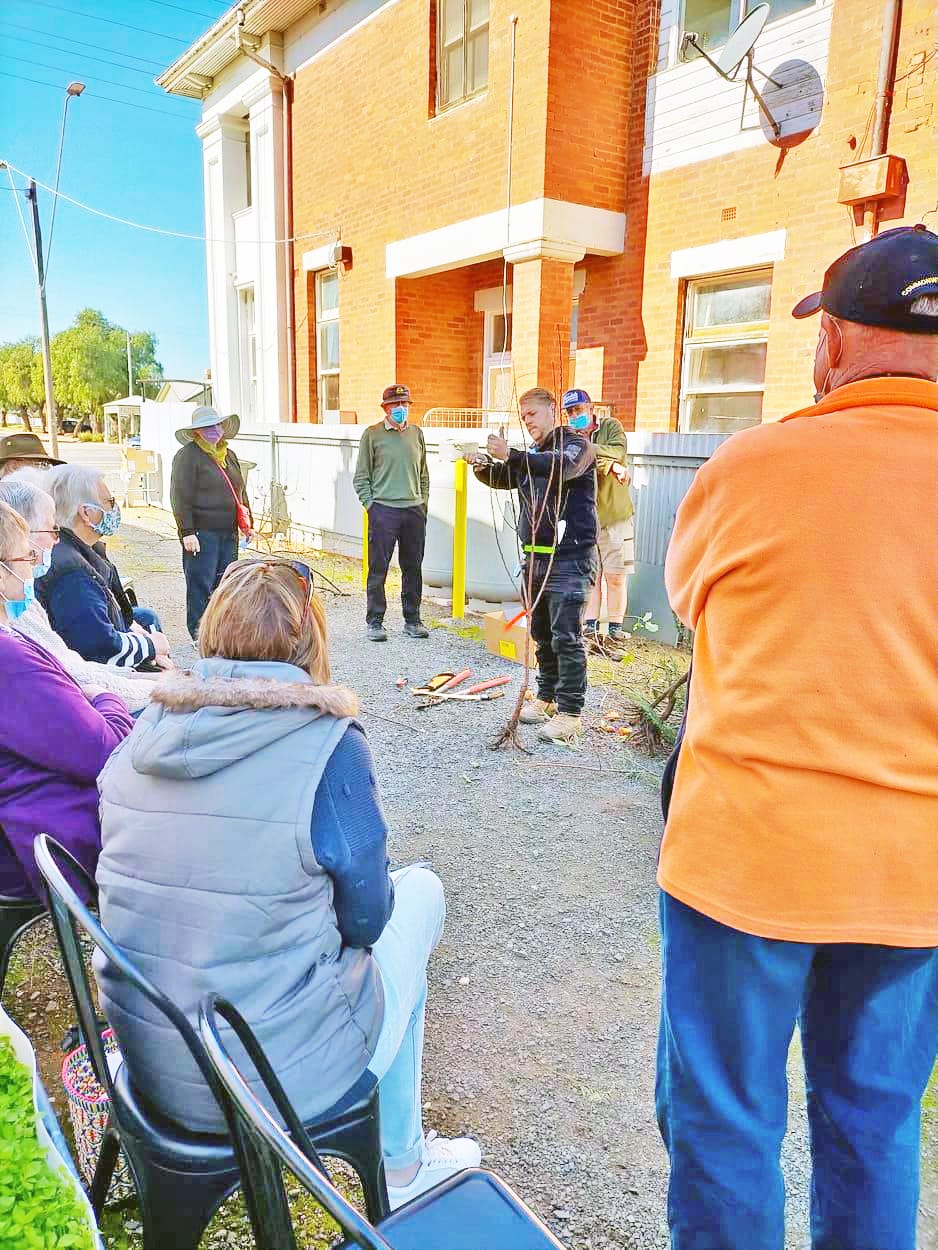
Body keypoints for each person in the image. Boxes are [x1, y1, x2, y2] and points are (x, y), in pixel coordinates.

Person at [656, 225, 938, 1250]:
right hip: (912, 877)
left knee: (726, 1119)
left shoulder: (752, 465)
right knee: (872, 1122)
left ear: (833, 344)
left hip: (746, 860)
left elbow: (691, 605)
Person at [94, 557, 481, 1208]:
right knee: (422, 894)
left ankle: (404, 1155)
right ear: (312, 642)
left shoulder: (144, 729)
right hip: (268, 1077)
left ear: (212, 631)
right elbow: (367, 920)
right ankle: (405, 1162)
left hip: (152, 1061)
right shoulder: (327, 743)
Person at [0, 500, 133, 900]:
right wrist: (106, 697)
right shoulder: (9, 660)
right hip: (52, 843)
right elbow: (107, 752)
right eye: (27, 554)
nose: (36, 563)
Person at [468, 388, 596, 744]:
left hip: (570, 558)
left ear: (552, 411)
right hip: (535, 556)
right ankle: (547, 696)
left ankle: (570, 713)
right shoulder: (533, 455)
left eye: (533, 414)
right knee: (540, 632)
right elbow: (507, 476)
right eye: (523, 417)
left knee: (566, 636)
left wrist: (512, 454)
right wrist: (482, 466)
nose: (528, 422)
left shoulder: (577, 445)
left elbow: (560, 468)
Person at [0, 476, 155, 713]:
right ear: (22, 533)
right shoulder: (64, 574)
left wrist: (140, 678)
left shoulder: (25, 595)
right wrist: (159, 683)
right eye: (52, 528)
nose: (56, 538)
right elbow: (80, 671)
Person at [37, 464, 173, 671]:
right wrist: (152, 646)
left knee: (145, 619)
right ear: (86, 513)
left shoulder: (78, 549)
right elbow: (100, 648)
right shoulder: (73, 574)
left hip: (97, 663)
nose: (114, 509)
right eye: (109, 502)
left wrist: (135, 631)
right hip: (101, 677)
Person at [353, 385, 430, 642]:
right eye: (396, 405)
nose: (401, 409)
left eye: (405, 404)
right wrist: (371, 506)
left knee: (413, 567)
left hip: (413, 510)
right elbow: (361, 476)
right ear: (386, 408)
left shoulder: (416, 433)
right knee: (378, 568)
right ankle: (375, 621)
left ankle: (412, 619)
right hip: (384, 510)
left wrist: (423, 502)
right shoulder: (372, 435)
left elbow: (423, 473)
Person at [561, 389, 634, 654]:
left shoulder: (611, 426)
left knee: (616, 576)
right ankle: (590, 630)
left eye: (578, 410)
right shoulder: (569, 437)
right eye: (569, 412)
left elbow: (618, 452)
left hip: (615, 514)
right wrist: (608, 465)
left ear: (590, 408)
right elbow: (582, 461)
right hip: (587, 518)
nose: (574, 416)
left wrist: (593, 452)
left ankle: (614, 631)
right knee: (592, 577)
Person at [169, 406, 252, 640]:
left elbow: (240, 491)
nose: (215, 430)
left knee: (225, 584)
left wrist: (248, 523)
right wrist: (187, 531)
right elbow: (180, 495)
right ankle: (199, 633)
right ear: (196, 432)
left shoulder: (229, 455)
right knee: (200, 585)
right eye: (208, 426)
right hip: (202, 534)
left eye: (217, 425)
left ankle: (220, 632)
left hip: (229, 532)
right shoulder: (187, 456)